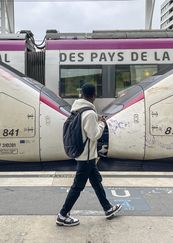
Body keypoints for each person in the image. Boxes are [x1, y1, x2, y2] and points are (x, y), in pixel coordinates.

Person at [56, 83, 122, 227]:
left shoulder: (78, 110)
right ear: (94, 96)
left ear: (82, 95)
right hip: (86, 158)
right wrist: (102, 123)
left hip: (87, 156)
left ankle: (108, 208)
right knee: (77, 187)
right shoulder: (90, 113)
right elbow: (95, 135)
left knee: (96, 182)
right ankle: (62, 215)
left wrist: (96, 119)